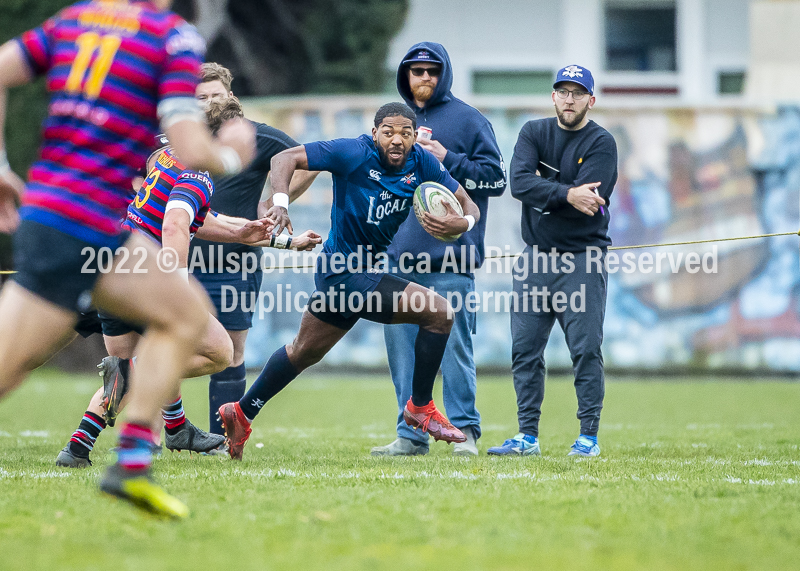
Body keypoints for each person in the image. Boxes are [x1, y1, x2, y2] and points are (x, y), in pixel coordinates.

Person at [0, 0, 256, 518]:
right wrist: (232, 152)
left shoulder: (73, 20)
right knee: (192, 325)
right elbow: (189, 148)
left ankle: (134, 458)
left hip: (56, 216)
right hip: (85, 222)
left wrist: (3, 164)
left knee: (184, 317)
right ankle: (134, 452)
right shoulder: (170, 36)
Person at [55, 101, 321, 468]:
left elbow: (196, 216)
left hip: (113, 271)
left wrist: (274, 240)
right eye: (241, 132)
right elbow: (175, 225)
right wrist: (176, 286)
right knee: (218, 351)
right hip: (141, 274)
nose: (250, 139)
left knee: (130, 365)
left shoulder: (168, 156)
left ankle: (79, 448)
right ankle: (159, 414)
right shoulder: (198, 172)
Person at [217, 102, 482, 460]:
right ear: (375, 134)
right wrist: (279, 202)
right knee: (439, 313)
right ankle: (420, 407)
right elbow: (284, 159)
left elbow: (469, 205)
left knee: (302, 352)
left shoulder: (424, 163)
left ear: (415, 136)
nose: (397, 139)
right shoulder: (353, 152)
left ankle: (241, 412)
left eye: (406, 132)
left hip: (359, 274)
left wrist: (460, 224)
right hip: (344, 272)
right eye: (388, 131)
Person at [371, 42, 506, 457]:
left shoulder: (469, 120)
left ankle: (465, 431)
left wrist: (450, 159)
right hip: (397, 263)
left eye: (432, 70)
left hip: (450, 262)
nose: (424, 77)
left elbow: (496, 181)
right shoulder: (393, 124)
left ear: (443, 74)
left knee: (454, 352)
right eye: (416, 71)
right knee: (403, 358)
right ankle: (410, 435)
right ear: (405, 76)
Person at [487, 65, 618, 458]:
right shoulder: (533, 132)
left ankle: (588, 438)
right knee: (525, 350)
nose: (570, 98)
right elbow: (519, 183)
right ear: (553, 96)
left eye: (578, 93)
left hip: (582, 260)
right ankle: (527, 436)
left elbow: (588, 203)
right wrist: (565, 194)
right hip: (534, 261)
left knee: (585, 350)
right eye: (563, 91)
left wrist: (550, 195)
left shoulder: (602, 143)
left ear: (590, 100)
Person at [191, 62, 318, 436]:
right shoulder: (176, 140)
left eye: (216, 95)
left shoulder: (256, 137)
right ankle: (160, 430)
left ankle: (221, 436)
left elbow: (306, 162)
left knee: (231, 351)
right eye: (201, 97)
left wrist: (275, 200)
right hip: (180, 259)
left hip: (235, 264)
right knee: (167, 339)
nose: (210, 103)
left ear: (231, 96)